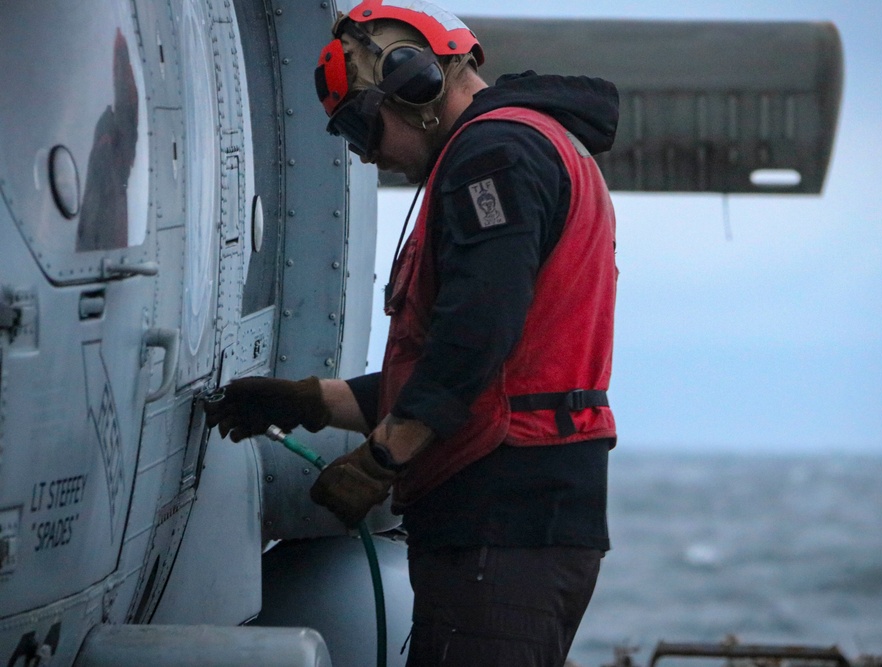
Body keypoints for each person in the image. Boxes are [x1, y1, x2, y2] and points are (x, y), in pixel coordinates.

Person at [206, 0, 619, 664]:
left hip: (501, 521)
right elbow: (454, 373)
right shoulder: (519, 147)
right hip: (519, 521)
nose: (370, 156)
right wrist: (305, 401)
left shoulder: (493, 158)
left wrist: (382, 457)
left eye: (361, 128)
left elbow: (477, 334)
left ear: (413, 81)